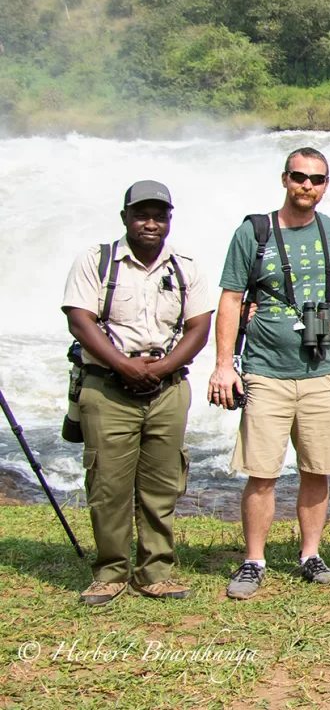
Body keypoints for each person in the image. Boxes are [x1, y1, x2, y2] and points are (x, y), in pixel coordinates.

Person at [61, 181, 214, 605]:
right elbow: (80, 320)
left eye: (159, 215)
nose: (151, 223)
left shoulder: (185, 267)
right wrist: (123, 365)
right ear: (125, 216)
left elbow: (198, 327)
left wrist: (161, 367)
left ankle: (155, 571)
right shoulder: (96, 261)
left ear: (169, 219)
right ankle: (110, 572)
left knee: (162, 484)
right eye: (142, 214)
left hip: (167, 389)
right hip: (107, 387)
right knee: (108, 485)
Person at [209, 148, 330, 600]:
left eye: (318, 179)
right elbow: (231, 299)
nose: (309, 185)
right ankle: (254, 561)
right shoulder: (255, 232)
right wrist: (223, 365)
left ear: (326, 185)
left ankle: (310, 555)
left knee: (317, 469)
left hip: (321, 370)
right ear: (285, 178)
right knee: (262, 472)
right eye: (301, 177)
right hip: (265, 371)